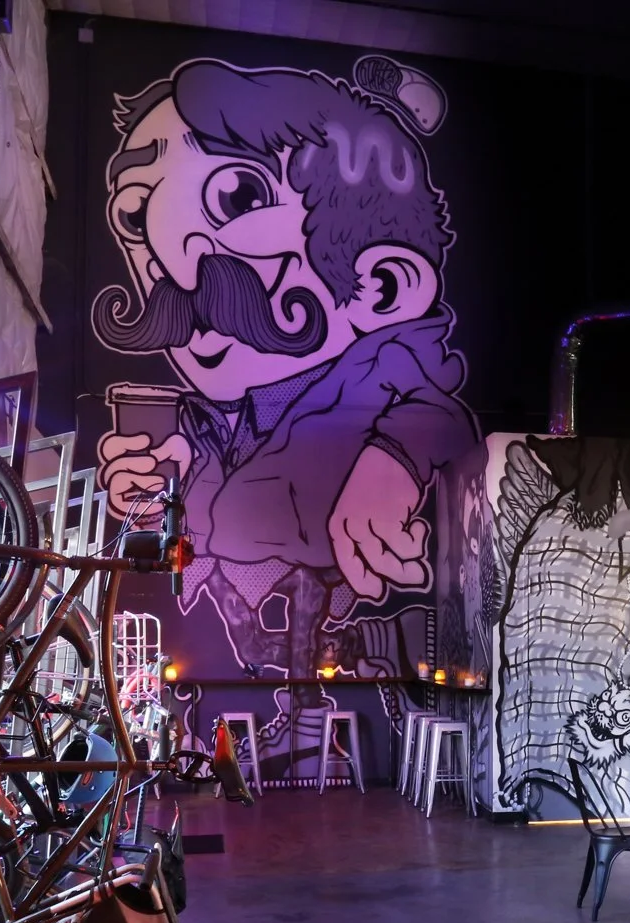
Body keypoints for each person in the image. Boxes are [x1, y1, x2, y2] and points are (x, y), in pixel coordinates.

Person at [91, 57, 479, 765]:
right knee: (240, 613)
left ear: (382, 288)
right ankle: (354, 651)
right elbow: (207, 460)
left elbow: (439, 413)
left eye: (237, 195)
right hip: (267, 559)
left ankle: (307, 713)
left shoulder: (387, 373)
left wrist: (392, 462)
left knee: (301, 588)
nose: (171, 257)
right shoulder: (214, 418)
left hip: (325, 564)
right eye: (136, 212)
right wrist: (159, 489)